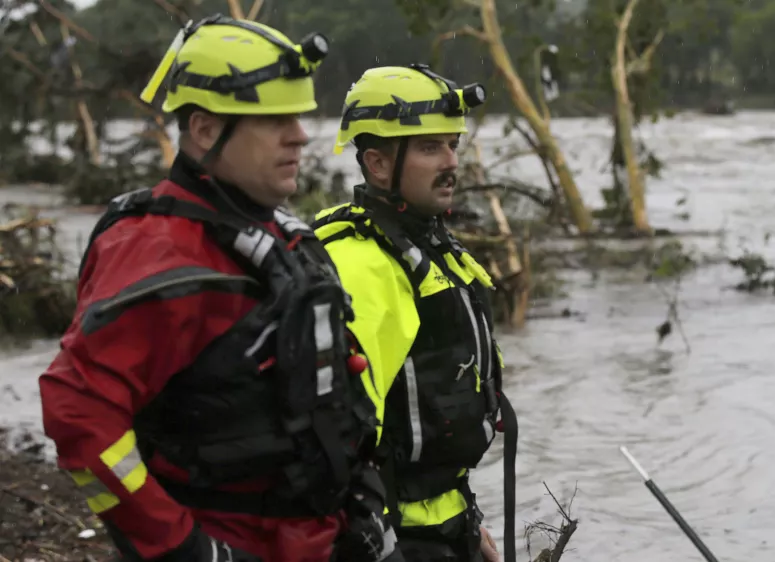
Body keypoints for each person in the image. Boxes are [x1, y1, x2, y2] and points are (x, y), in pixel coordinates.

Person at [37, 15, 400, 562]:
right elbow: (78, 416)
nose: (300, 134)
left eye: (298, 115)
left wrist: (368, 510)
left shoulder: (282, 236)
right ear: (205, 129)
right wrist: (180, 546)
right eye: (275, 119)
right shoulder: (158, 252)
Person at [312, 64, 518, 562]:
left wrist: (466, 527)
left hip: (448, 525)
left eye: (453, 144)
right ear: (378, 165)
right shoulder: (359, 266)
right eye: (430, 148)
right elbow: (339, 441)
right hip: (392, 539)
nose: (451, 162)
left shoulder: (425, 246)